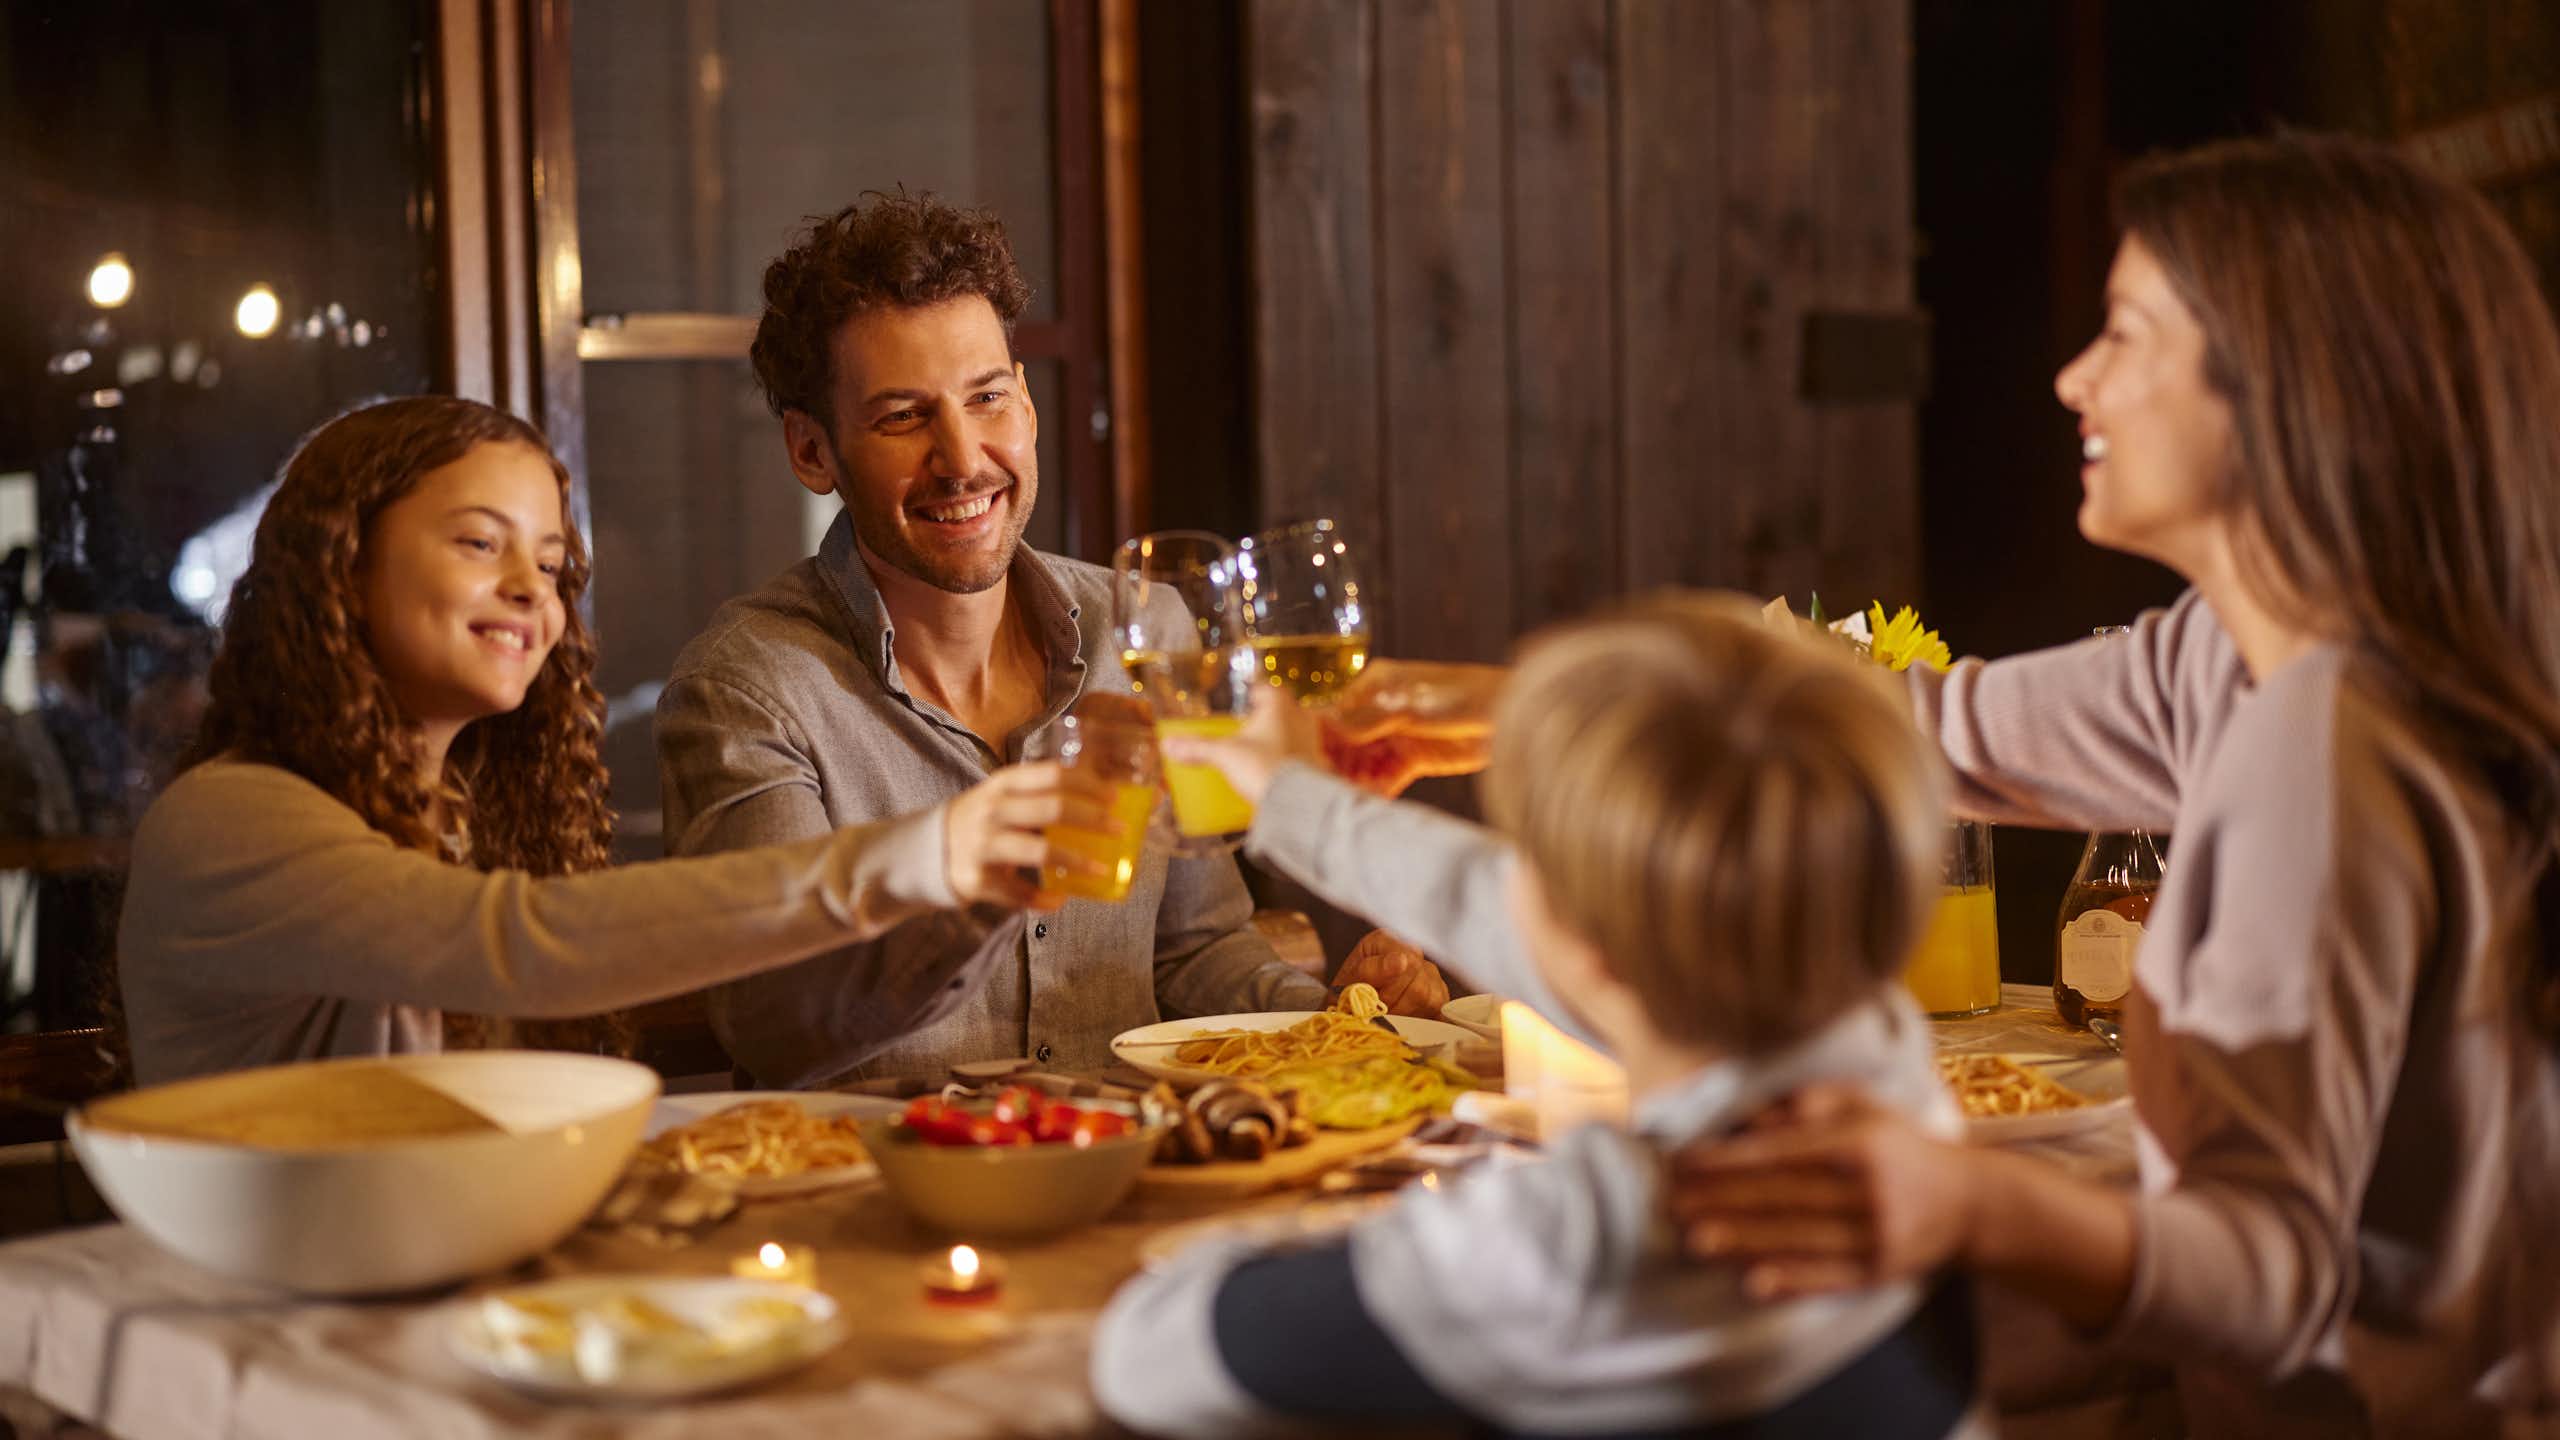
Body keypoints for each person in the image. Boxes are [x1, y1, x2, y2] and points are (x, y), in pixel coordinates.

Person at [1659, 133, 2560, 1437]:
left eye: (2126, 335)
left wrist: (1955, 1203)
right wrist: (1503, 705)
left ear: (2285, 390)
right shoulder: (2240, 655)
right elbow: (1925, 728)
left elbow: (2265, 1276)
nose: (2075, 377)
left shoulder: (2322, 746)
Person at [1093, 593, 1986, 1438]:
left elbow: (1148, 1354)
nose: (1508, 891)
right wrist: (1295, 800)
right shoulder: (1887, 1061)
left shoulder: (1566, 1253)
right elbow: (1511, 908)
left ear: (1587, 946)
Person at [655, 191, 1441, 1088]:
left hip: (1131, 1181)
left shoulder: (1143, 632)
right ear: (811, 452)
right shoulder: (747, 687)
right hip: (879, 1201)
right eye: (902, 416)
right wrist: (987, 894)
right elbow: (776, 1023)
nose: (962, 457)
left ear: (1025, 404)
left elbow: (1192, 953)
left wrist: (1332, 1021)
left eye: (987, 397)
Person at [116, 396, 1112, 1086]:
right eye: (478, 542)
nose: (531, 591)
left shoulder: (458, 814)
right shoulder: (228, 815)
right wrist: (926, 852)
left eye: (551, 564)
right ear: (342, 562)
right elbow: (514, 944)